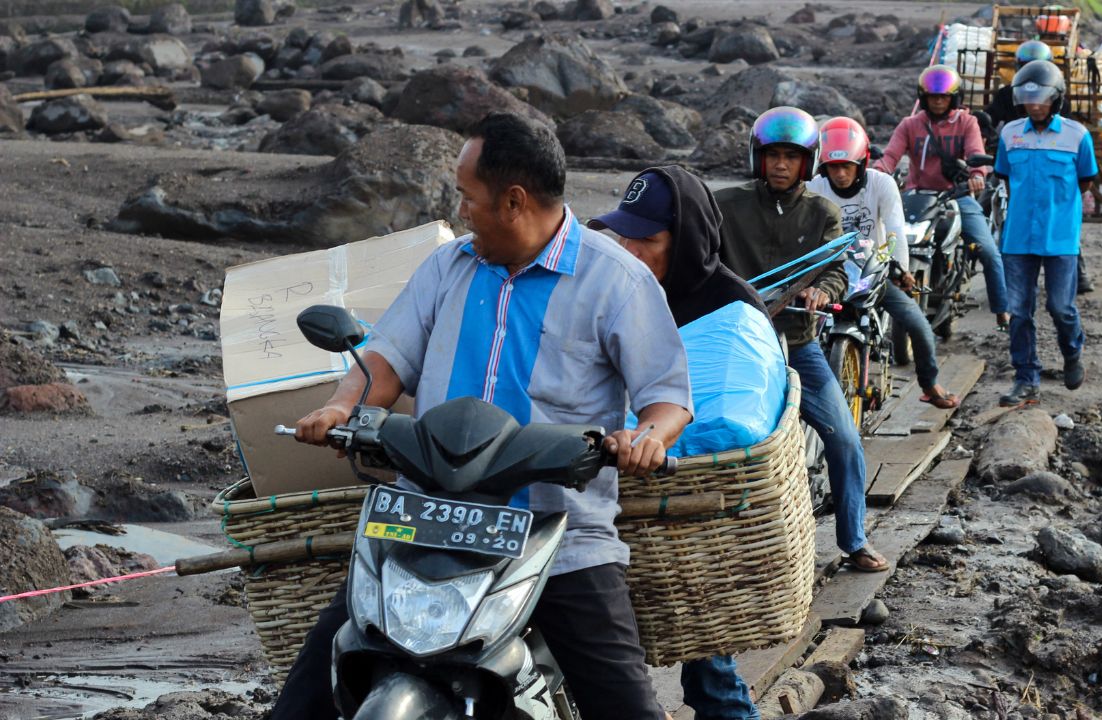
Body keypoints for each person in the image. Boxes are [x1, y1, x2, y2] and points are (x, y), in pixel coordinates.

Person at [273, 112, 694, 720]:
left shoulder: (617, 281)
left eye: (469, 198)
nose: (462, 213)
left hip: (555, 535)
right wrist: (343, 407)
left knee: (626, 709)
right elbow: (386, 359)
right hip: (423, 520)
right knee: (301, 703)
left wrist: (647, 437)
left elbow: (667, 398)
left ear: (514, 201)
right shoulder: (448, 267)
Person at [588, 166, 766, 720]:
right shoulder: (616, 290)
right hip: (606, 499)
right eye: (625, 236)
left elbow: (732, 422)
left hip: (687, 518)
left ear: (686, 238)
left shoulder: (730, 306)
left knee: (710, 671)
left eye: (649, 239)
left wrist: (655, 440)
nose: (631, 250)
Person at [714, 106, 888, 573]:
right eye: (772, 155)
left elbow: (835, 267)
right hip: (736, 344)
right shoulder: (725, 205)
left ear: (808, 162)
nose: (781, 165)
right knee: (717, 438)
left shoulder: (822, 213)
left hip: (797, 343)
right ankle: (724, 544)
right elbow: (698, 253)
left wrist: (821, 290)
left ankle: (853, 539)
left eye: (792, 156)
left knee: (845, 439)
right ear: (757, 157)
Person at [806, 116, 959, 409]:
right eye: (833, 167)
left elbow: (894, 230)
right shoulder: (814, 187)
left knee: (919, 326)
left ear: (861, 163)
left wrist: (899, 268)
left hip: (872, 272)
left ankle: (929, 383)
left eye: (846, 166)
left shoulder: (882, 184)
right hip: (829, 274)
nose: (839, 174)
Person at [994, 61, 1097, 407]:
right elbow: (1006, 178)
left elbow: (1085, 180)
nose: (1034, 105)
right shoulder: (1010, 134)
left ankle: (1072, 351)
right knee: (1019, 312)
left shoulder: (1077, 136)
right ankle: (1026, 377)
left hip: (1060, 237)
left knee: (1060, 307)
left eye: (1040, 98)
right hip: (1018, 236)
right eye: (1027, 98)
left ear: (1056, 100)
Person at [877, 65, 1009, 330]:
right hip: (917, 197)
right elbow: (890, 157)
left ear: (954, 98)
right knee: (883, 247)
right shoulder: (910, 124)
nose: (938, 101)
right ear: (923, 97)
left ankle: (1002, 310)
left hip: (955, 196)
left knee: (989, 252)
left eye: (944, 96)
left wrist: (977, 175)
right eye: (933, 96)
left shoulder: (967, 122)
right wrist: (876, 173)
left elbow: (975, 152)